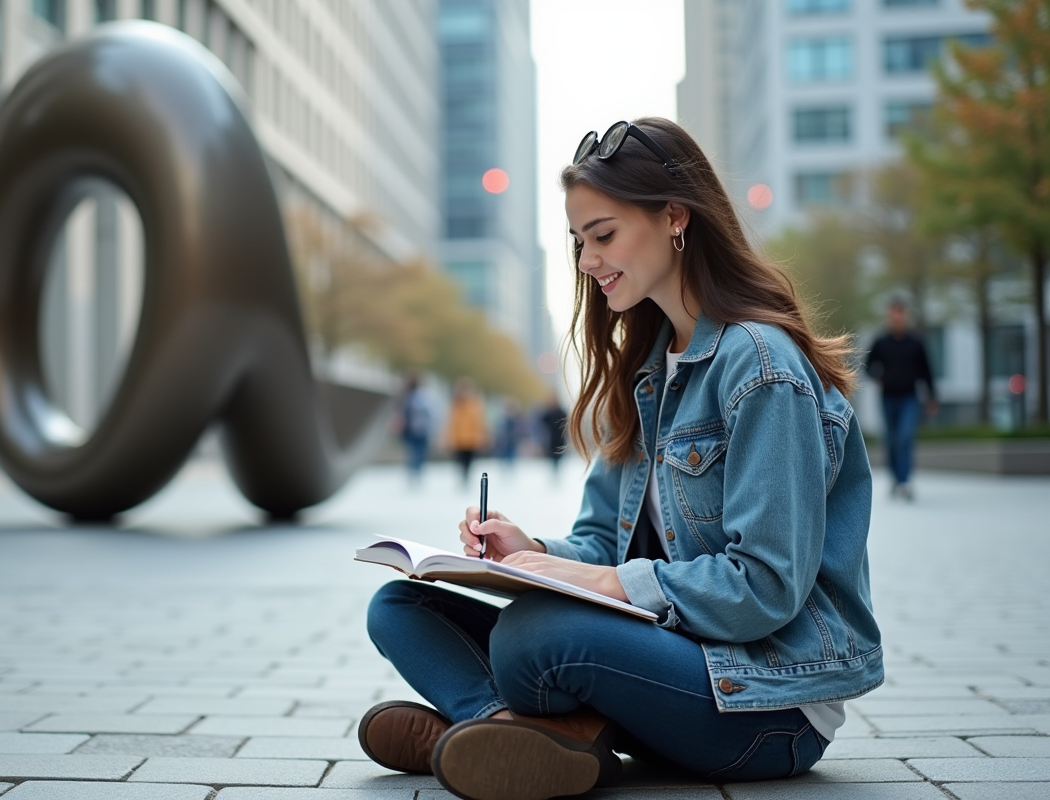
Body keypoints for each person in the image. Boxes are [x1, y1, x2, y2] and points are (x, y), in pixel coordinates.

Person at [359, 118, 882, 800]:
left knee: (533, 640)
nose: (586, 262)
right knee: (398, 606)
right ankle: (503, 732)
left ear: (674, 217)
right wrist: (531, 548)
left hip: (763, 703)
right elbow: (604, 540)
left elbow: (765, 587)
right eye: (580, 242)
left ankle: (496, 725)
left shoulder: (759, 366)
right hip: (677, 660)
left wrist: (604, 585)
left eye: (602, 236)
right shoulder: (646, 371)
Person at [866, 301, 937, 500]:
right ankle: (895, 479)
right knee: (891, 439)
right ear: (889, 317)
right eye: (893, 314)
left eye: (900, 314)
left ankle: (905, 481)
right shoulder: (881, 342)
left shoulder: (915, 342)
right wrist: (878, 378)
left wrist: (932, 397)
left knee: (905, 437)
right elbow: (868, 367)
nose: (897, 318)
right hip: (888, 397)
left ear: (905, 316)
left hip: (909, 397)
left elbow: (927, 370)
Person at [443, 378, 489, 486]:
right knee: (460, 460)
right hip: (459, 439)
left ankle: (466, 476)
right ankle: (463, 476)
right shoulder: (456, 405)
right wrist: (447, 437)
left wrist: (483, 436)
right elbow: (451, 423)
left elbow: (480, 422)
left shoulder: (475, 404)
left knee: (469, 460)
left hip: (472, 439)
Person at [394, 374, 433, 484]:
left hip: (417, 429)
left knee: (416, 451)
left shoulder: (414, 396)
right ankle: (415, 471)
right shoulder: (409, 396)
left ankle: (415, 471)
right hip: (413, 429)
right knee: (415, 451)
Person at [539, 391, 568, 477]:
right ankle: (554, 473)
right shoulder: (549, 412)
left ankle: (556, 473)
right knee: (552, 457)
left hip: (560, 438)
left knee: (558, 456)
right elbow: (543, 421)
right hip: (551, 439)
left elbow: (566, 422)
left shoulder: (561, 411)